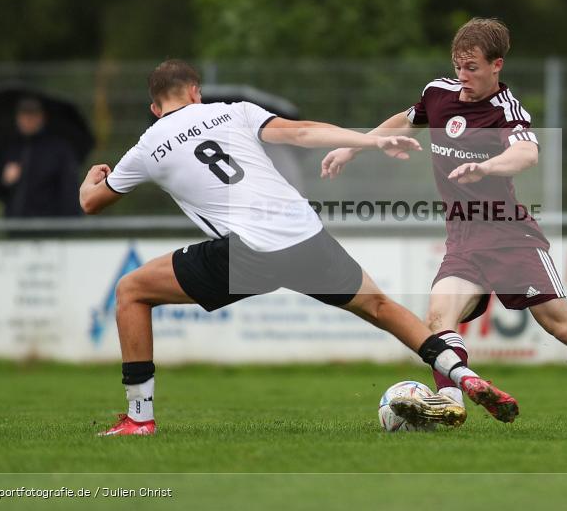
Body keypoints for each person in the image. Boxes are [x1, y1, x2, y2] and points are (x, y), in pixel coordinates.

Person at [79, 59, 519, 436]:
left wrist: (91, 178)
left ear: (155, 107)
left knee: (131, 292)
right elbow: (304, 131)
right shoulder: (233, 112)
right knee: (381, 307)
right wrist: (371, 140)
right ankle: (464, 375)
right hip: (305, 236)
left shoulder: (148, 144)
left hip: (249, 254)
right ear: (196, 93)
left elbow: (91, 203)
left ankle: (139, 418)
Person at [321, 18, 567, 431]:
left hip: (510, 237)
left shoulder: (505, 110)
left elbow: (527, 154)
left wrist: (486, 168)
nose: (463, 77)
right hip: (463, 240)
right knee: (438, 318)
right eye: (458, 66)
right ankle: (450, 401)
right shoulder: (439, 93)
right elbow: (406, 118)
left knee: (562, 327)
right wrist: (353, 147)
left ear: (497, 65)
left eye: (473, 68)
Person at [0, 98, 81, 217]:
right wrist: (5, 181)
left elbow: (69, 190)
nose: (28, 120)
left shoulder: (59, 149)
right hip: (15, 226)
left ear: (42, 117)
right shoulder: (10, 148)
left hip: (48, 226)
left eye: (32, 115)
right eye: (24, 115)